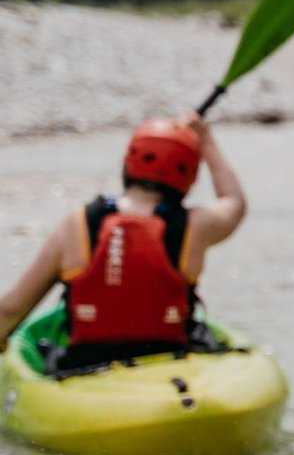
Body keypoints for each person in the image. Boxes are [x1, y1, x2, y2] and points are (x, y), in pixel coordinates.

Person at [0, 115, 246, 369]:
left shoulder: (77, 225)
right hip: (170, 364)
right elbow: (234, 203)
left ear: (128, 163)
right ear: (190, 175)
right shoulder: (195, 226)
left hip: (85, 368)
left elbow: (10, 309)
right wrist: (206, 141)